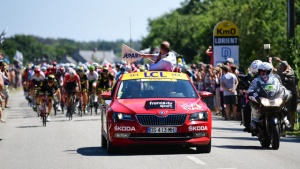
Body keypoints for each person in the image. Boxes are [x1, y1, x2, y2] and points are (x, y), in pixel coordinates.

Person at [247, 62, 291, 131]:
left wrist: (286, 91)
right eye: (261, 71)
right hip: (263, 98)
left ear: (270, 71)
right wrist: (253, 94)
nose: (263, 72)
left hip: (274, 97)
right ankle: (255, 122)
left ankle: (285, 120)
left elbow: (281, 87)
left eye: (265, 71)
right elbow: (250, 89)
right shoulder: (256, 80)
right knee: (254, 105)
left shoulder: (275, 79)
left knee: (284, 106)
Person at [273, 58, 298, 130]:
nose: (279, 66)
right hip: (285, 93)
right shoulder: (288, 69)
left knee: (291, 111)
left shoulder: (288, 72)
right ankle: (285, 124)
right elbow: (287, 65)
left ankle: (291, 126)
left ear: (284, 67)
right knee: (283, 108)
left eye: (281, 65)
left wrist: (270, 62)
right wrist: (280, 60)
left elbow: (274, 70)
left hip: (291, 94)